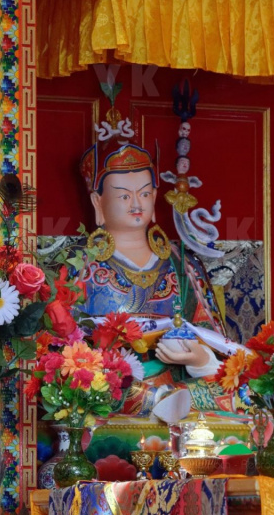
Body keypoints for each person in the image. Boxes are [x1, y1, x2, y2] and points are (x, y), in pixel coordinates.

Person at [78, 120, 231, 413]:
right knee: (103, 392)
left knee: (244, 396)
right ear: (98, 202)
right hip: (116, 390)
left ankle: (169, 405)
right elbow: (61, 347)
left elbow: (216, 344)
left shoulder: (181, 262)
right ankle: (163, 405)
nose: (137, 204)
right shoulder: (80, 266)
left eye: (145, 194)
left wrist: (198, 359)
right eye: (124, 195)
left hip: (180, 385)